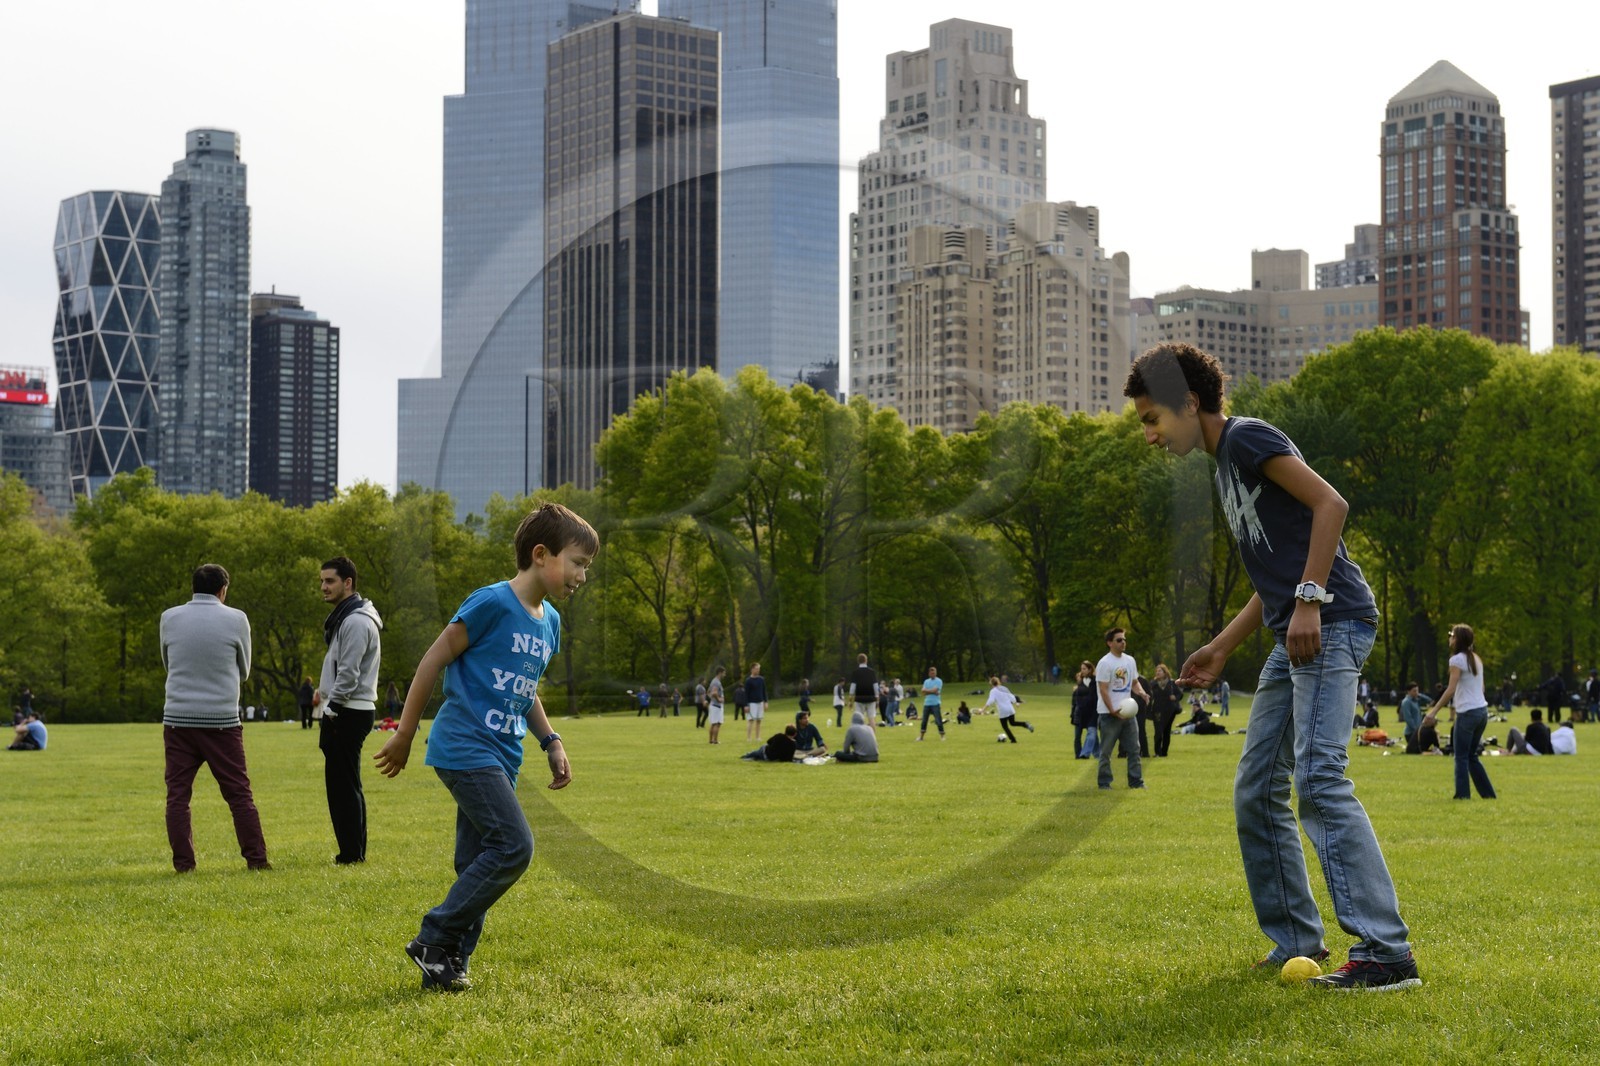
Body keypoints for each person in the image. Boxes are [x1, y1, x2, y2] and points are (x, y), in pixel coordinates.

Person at [1126, 341, 1419, 990]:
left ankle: (1386, 953)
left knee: (1317, 779)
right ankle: (1294, 938)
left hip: (1331, 623)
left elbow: (1330, 505)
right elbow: (1275, 574)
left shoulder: (1247, 439)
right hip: (1296, 631)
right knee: (1258, 788)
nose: (1148, 435)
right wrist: (1224, 645)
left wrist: (1313, 601)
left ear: (1189, 403)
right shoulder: (1224, 467)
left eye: (1152, 419)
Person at [372, 501, 594, 993]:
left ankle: (448, 963)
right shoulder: (492, 603)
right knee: (514, 846)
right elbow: (433, 660)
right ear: (541, 554)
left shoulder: (550, 623)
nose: (582, 575)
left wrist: (551, 740)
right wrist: (405, 733)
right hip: (465, 746)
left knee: (474, 864)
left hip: (503, 753)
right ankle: (435, 936)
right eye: (577, 563)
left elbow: (525, 688)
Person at [158, 564, 270, 872]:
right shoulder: (236, 619)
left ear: (192, 588)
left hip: (178, 719)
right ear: (223, 590)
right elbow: (244, 670)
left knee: (178, 797)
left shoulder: (169, 618)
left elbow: (168, 662)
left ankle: (184, 864)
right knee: (239, 795)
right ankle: (257, 860)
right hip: (222, 720)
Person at [317, 556, 384, 865]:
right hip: (349, 709)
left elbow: (349, 674)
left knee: (343, 787)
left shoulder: (356, 620)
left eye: (329, 581)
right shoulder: (349, 618)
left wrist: (331, 707)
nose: (323, 587)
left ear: (348, 583)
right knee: (347, 784)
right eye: (321, 581)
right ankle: (353, 850)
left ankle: (351, 854)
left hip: (348, 711)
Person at [1423, 624, 1495, 801]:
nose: (1450, 638)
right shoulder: (1476, 659)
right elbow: (1482, 687)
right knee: (1471, 755)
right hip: (1481, 712)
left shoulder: (1457, 660)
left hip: (1468, 713)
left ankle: (1462, 795)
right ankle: (1488, 795)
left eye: (1452, 635)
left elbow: (1450, 689)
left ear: (1458, 639)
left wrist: (1433, 712)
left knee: (1461, 756)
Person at [1094, 628, 1146, 788]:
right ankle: (1104, 783)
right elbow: (1103, 689)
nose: (1123, 642)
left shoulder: (1130, 660)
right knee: (1106, 752)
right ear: (1109, 643)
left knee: (1134, 749)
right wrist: (1112, 710)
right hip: (1109, 715)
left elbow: (1134, 682)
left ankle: (1136, 782)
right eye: (1119, 640)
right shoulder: (1105, 663)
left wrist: (1142, 693)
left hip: (1128, 713)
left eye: (1124, 639)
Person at [983, 675, 1033, 743]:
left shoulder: (993, 691)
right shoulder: (1004, 688)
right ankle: (1025, 724)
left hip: (1003, 711)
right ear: (998, 682)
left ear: (991, 684)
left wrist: (983, 709)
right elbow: (1012, 697)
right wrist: (1016, 703)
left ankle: (1013, 740)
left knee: (1005, 727)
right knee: (1013, 723)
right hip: (1010, 709)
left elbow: (990, 701)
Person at [1149, 664, 1182, 758]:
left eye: (1160, 671)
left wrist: (1175, 697)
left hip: (1169, 711)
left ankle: (1164, 752)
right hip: (1157, 711)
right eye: (1157, 671)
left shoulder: (1172, 683)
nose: (1157, 673)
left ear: (1165, 672)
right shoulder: (1153, 684)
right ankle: (1157, 752)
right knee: (1158, 731)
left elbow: (1180, 694)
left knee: (1166, 732)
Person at [1070, 661, 1099, 758]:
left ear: (1090, 669)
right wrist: (1073, 713)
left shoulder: (1095, 682)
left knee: (1092, 733)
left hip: (1092, 713)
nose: (1082, 671)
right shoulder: (1080, 682)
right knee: (1078, 736)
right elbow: (1075, 700)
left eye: (1084, 669)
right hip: (1080, 713)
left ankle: (1085, 754)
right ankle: (1079, 754)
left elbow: (1094, 697)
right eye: (1081, 669)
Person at [850, 654, 878, 731]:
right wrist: (877, 699)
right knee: (871, 718)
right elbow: (876, 687)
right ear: (866, 660)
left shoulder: (855, 672)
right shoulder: (872, 672)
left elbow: (852, 688)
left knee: (859, 719)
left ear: (858, 661)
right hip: (871, 698)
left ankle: (860, 738)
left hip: (859, 698)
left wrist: (850, 701)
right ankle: (872, 738)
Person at [918, 666, 946, 740]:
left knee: (938, 720)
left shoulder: (939, 681)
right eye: (931, 673)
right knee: (924, 721)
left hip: (935, 703)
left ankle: (942, 736)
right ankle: (921, 737)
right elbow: (923, 692)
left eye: (934, 673)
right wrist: (932, 692)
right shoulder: (926, 681)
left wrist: (927, 691)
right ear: (929, 673)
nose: (933, 674)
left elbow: (934, 690)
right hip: (927, 703)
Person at [1398, 682, 1425, 754]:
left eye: (1417, 690)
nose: (1416, 692)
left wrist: (1419, 694)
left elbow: (1429, 700)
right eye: (1414, 691)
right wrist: (1416, 730)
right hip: (1411, 732)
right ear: (1408, 691)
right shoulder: (1406, 702)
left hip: (1418, 730)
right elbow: (1408, 718)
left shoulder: (1415, 700)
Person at [745, 662, 767, 741]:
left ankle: (758, 737)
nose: (758, 670)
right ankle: (749, 737)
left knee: (759, 720)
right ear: (752, 669)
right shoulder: (748, 681)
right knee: (751, 720)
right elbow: (746, 694)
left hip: (760, 702)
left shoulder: (761, 679)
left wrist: (766, 702)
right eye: (757, 669)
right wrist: (746, 705)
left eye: (759, 669)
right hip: (752, 703)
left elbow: (764, 691)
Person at [707, 667, 726, 745]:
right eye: (724, 673)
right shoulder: (716, 682)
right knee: (717, 723)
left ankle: (711, 740)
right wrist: (719, 699)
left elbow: (708, 692)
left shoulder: (713, 681)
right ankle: (715, 740)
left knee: (713, 723)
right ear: (720, 673)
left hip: (713, 705)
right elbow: (714, 692)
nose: (725, 674)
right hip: (716, 706)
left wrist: (712, 699)